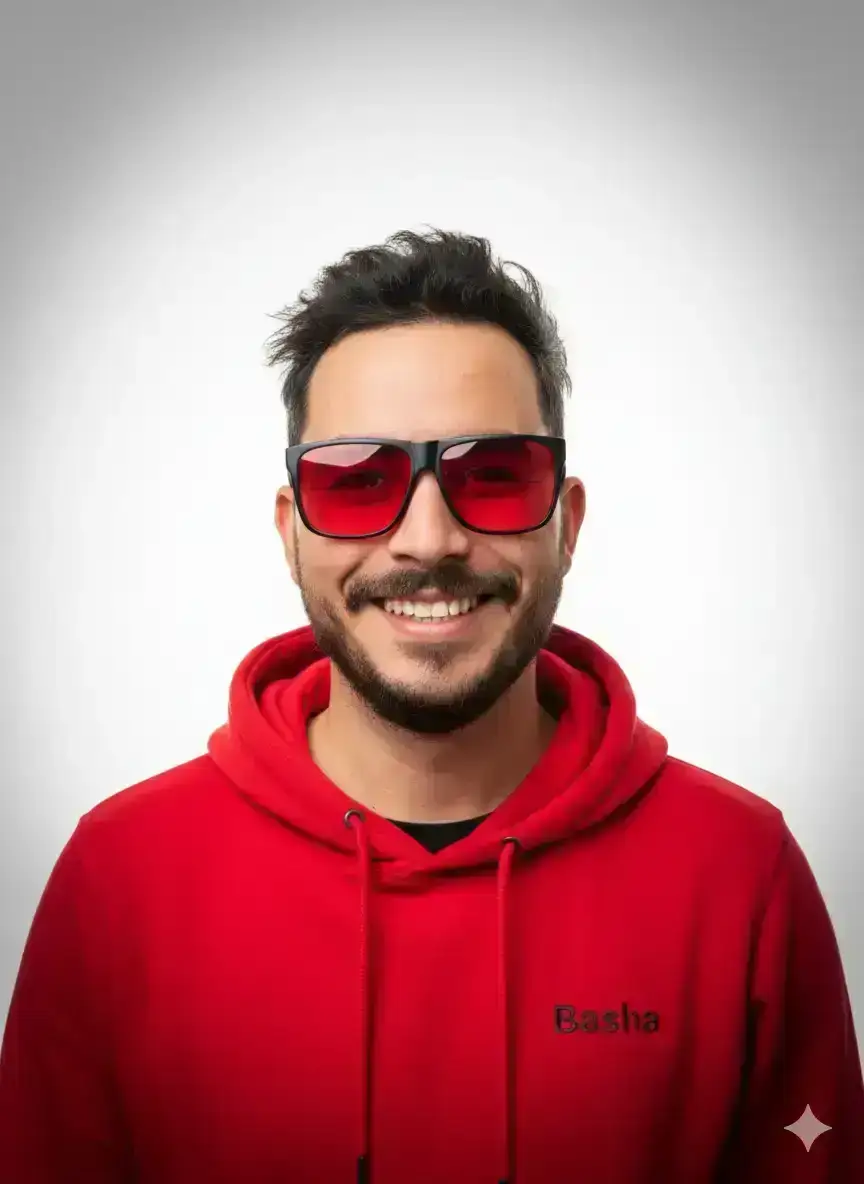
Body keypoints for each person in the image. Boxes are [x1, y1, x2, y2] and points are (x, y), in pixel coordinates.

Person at [1, 228, 862, 1184]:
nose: (429, 538)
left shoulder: (741, 874)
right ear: (291, 532)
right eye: (357, 480)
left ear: (566, 523)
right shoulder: (119, 879)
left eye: (493, 474)